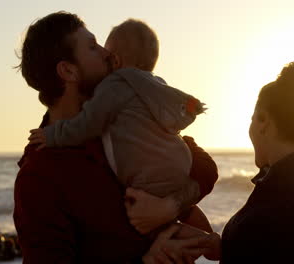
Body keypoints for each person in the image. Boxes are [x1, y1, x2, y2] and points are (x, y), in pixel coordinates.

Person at [13, 11, 218, 263]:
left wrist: (169, 207)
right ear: (68, 71)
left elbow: (204, 167)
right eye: (92, 47)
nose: (106, 53)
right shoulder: (39, 177)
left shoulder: (124, 122)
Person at [132, 61, 294, 263]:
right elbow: (266, 248)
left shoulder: (293, 194)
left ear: (263, 120)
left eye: (252, 119)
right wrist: (216, 245)